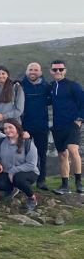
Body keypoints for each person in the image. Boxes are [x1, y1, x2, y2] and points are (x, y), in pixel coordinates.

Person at [49, 59, 84, 194]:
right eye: (55, 69)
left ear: (65, 70)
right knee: (62, 154)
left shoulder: (72, 85)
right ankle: (65, 185)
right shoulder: (51, 86)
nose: (58, 71)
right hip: (58, 125)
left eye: (61, 69)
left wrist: (80, 119)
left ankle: (79, 183)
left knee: (73, 150)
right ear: (51, 71)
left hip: (72, 124)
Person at [0, 118, 39, 209]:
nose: (7, 130)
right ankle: (12, 190)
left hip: (28, 171)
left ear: (17, 128)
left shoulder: (28, 143)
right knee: (1, 183)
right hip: (7, 172)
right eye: (5, 128)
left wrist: (13, 171)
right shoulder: (2, 142)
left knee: (18, 178)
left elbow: (31, 164)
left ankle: (32, 198)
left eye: (10, 127)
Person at [21, 62, 51, 191]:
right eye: (30, 69)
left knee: (41, 153)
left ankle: (41, 180)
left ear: (40, 72)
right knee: (22, 153)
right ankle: (23, 179)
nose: (33, 72)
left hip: (42, 125)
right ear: (26, 71)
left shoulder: (46, 86)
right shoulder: (20, 85)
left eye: (36, 70)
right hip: (24, 125)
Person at [0, 65, 24, 132]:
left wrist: (4, 117)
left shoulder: (16, 89)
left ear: (7, 75)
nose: (1, 76)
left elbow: (19, 110)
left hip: (12, 125)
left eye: (3, 73)